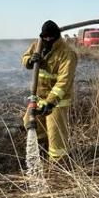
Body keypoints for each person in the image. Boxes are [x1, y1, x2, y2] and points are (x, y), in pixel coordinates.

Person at [21, 20, 77, 162]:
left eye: (50, 38)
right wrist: (30, 60)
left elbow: (63, 82)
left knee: (56, 136)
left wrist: (50, 103)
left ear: (56, 37)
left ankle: (58, 165)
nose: (47, 41)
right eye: (44, 38)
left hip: (57, 102)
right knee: (30, 122)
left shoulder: (67, 53)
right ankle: (41, 150)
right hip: (39, 98)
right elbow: (25, 57)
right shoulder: (37, 44)